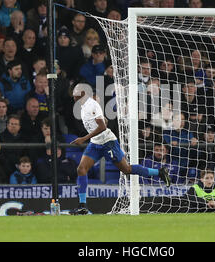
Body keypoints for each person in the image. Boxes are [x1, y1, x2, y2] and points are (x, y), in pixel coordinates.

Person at [68, 84, 171, 215]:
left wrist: (84, 138)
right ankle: (82, 205)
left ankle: (160, 172)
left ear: (83, 93)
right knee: (81, 169)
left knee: (126, 169)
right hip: (96, 143)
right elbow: (103, 121)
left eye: (76, 91)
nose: (73, 94)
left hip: (107, 142)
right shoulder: (83, 106)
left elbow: (103, 127)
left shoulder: (91, 105)